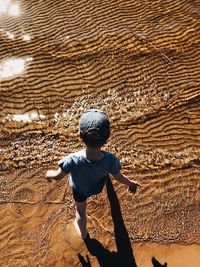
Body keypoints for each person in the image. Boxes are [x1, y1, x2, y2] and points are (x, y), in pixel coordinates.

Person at [45, 109, 140, 239]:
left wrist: (49, 174)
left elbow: (58, 176)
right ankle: (102, 172)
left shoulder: (72, 159)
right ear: (107, 138)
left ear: (79, 135)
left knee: (80, 212)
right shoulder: (110, 160)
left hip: (80, 190)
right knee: (104, 172)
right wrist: (131, 183)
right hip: (96, 187)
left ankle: (83, 234)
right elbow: (118, 176)